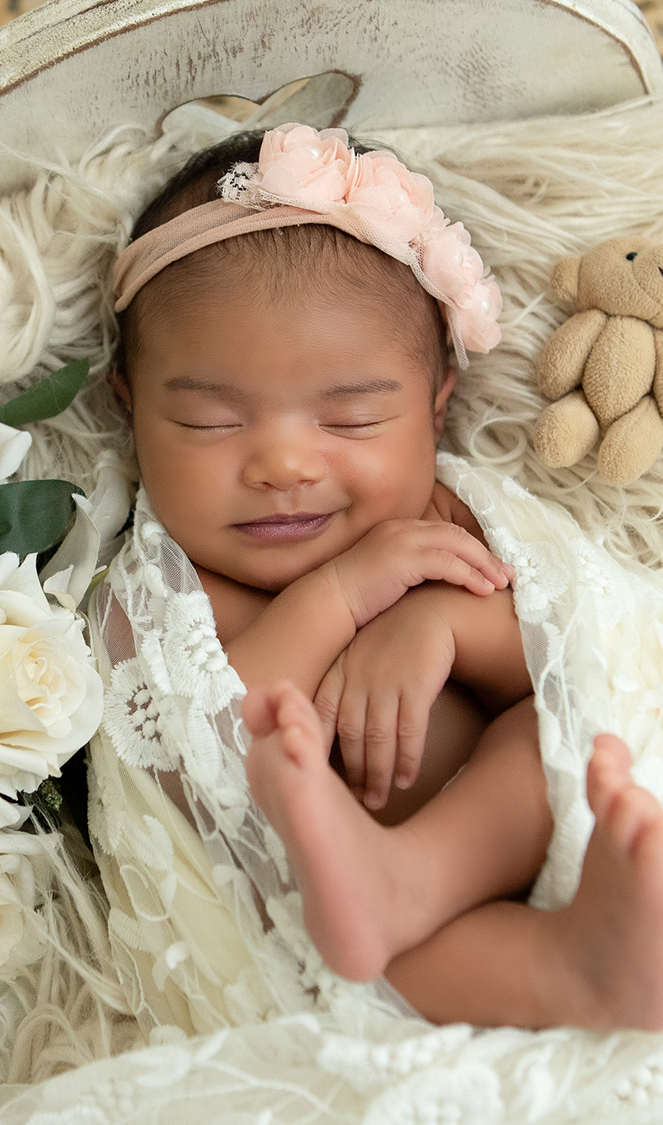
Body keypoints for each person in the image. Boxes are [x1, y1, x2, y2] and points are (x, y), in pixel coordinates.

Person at [110, 123, 663, 1031]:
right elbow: (201, 744)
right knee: (312, 940)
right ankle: (564, 972)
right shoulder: (164, 591)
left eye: (354, 418)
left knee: (556, 731)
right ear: (128, 403)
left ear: (437, 409)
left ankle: (424, 884)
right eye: (212, 421)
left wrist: (442, 626)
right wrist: (341, 597)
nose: (284, 463)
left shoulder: (441, 520)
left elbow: (576, 651)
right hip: (330, 941)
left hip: (518, 848)